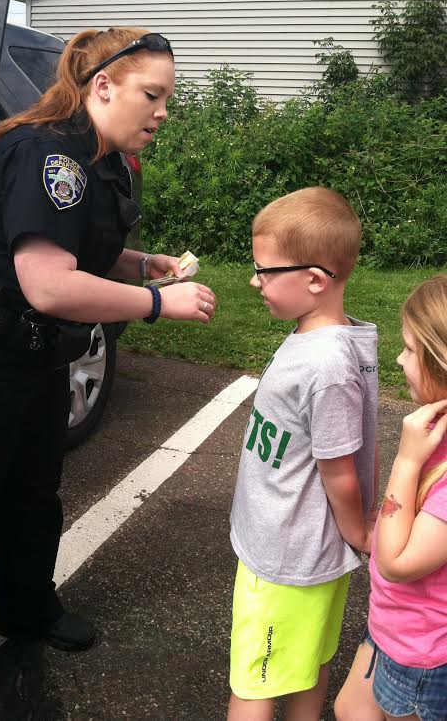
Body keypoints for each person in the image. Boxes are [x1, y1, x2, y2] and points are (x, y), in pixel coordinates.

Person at [0, 26, 217, 709]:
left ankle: (28, 609)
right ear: (103, 86)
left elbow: (78, 250)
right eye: (152, 95)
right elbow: (49, 283)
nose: (161, 112)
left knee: (33, 493)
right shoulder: (48, 154)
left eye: (166, 98)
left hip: (38, 360)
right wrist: (157, 301)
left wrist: (135, 263)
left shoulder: (100, 157)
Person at [227, 187, 379, 721]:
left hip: (287, 556)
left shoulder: (326, 366)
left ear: (315, 279)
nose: (255, 281)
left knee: (255, 682)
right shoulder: (316, 341)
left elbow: (338, 472)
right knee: (308, 663)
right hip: (297, 546)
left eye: (266, 271)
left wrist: (360, 532)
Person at [335, 275, 447, 721]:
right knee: (349, 708)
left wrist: (405, 462)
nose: (399, 360)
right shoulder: (433, 430)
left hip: (422, 652)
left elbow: (398, 563)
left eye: (409, 350)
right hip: (395, 627)